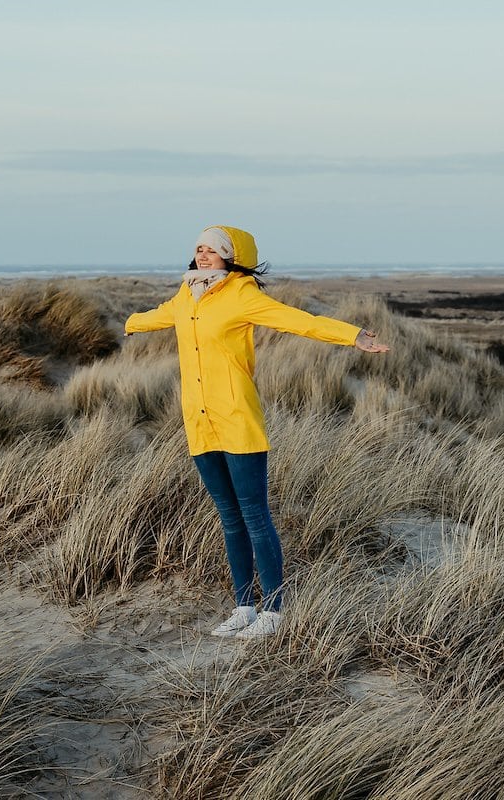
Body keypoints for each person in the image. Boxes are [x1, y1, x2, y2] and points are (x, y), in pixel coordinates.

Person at [124, 225, 389, 639]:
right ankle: (244, 606)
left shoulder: (242, 295)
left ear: (232, 256)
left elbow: (297, 321)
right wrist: (130, 323)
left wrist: (352, 335)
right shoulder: (184, 296)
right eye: (199, 249)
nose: (204, 255)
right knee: (229, 519)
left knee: (254, 517)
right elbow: (158, 316)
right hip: (199, 421)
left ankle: (275, 610)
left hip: (237, 420)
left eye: (214, 249)